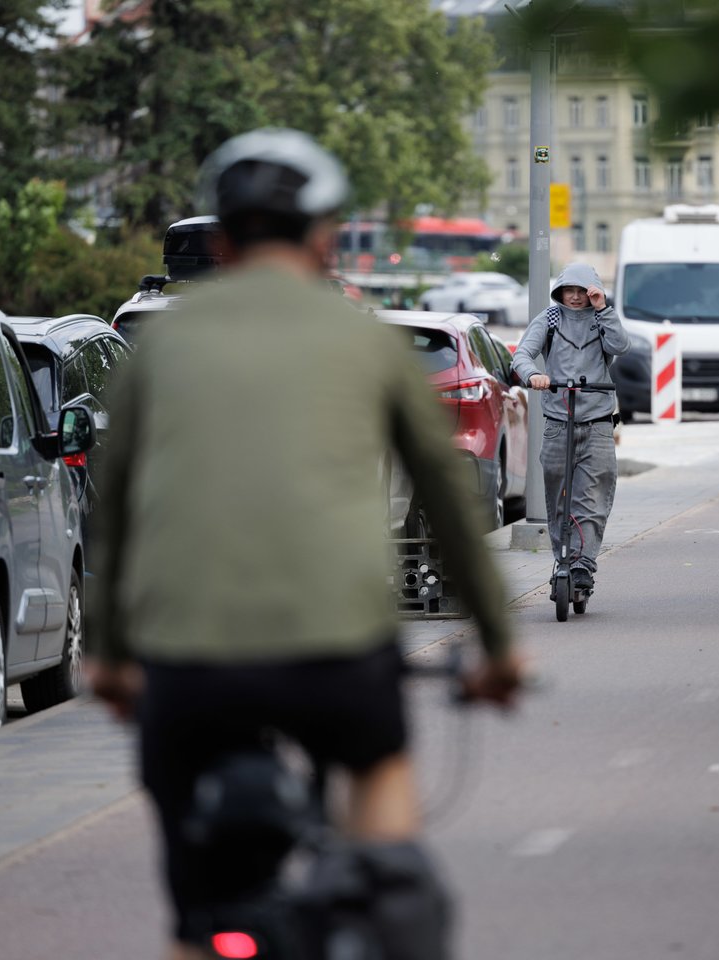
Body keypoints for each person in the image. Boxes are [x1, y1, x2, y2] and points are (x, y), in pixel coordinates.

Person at [83, 127, 523, 960]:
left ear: (220, 242)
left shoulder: (157, 345)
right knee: (380, 799)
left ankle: (199, 936)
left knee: (196, 908)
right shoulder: (367, 341)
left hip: (188, 661)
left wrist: (107, 656)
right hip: (338, 655)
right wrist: (500, 649)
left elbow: (116, 510)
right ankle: (382, 901)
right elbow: (447, 497)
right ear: (326, 237)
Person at [510, 264, 629, 594]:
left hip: (598, 423)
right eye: (569, 291)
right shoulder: (549, 319)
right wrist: (534, 375)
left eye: (582, 291)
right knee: (559, 497)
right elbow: (521, 356)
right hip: (558, 423)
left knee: (592, 497)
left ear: (593, 293)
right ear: (560, 292)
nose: (575, 297)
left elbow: (621, 346)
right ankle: (563, 559)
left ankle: (583, 565)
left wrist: (603, 309)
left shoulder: (602, 318)